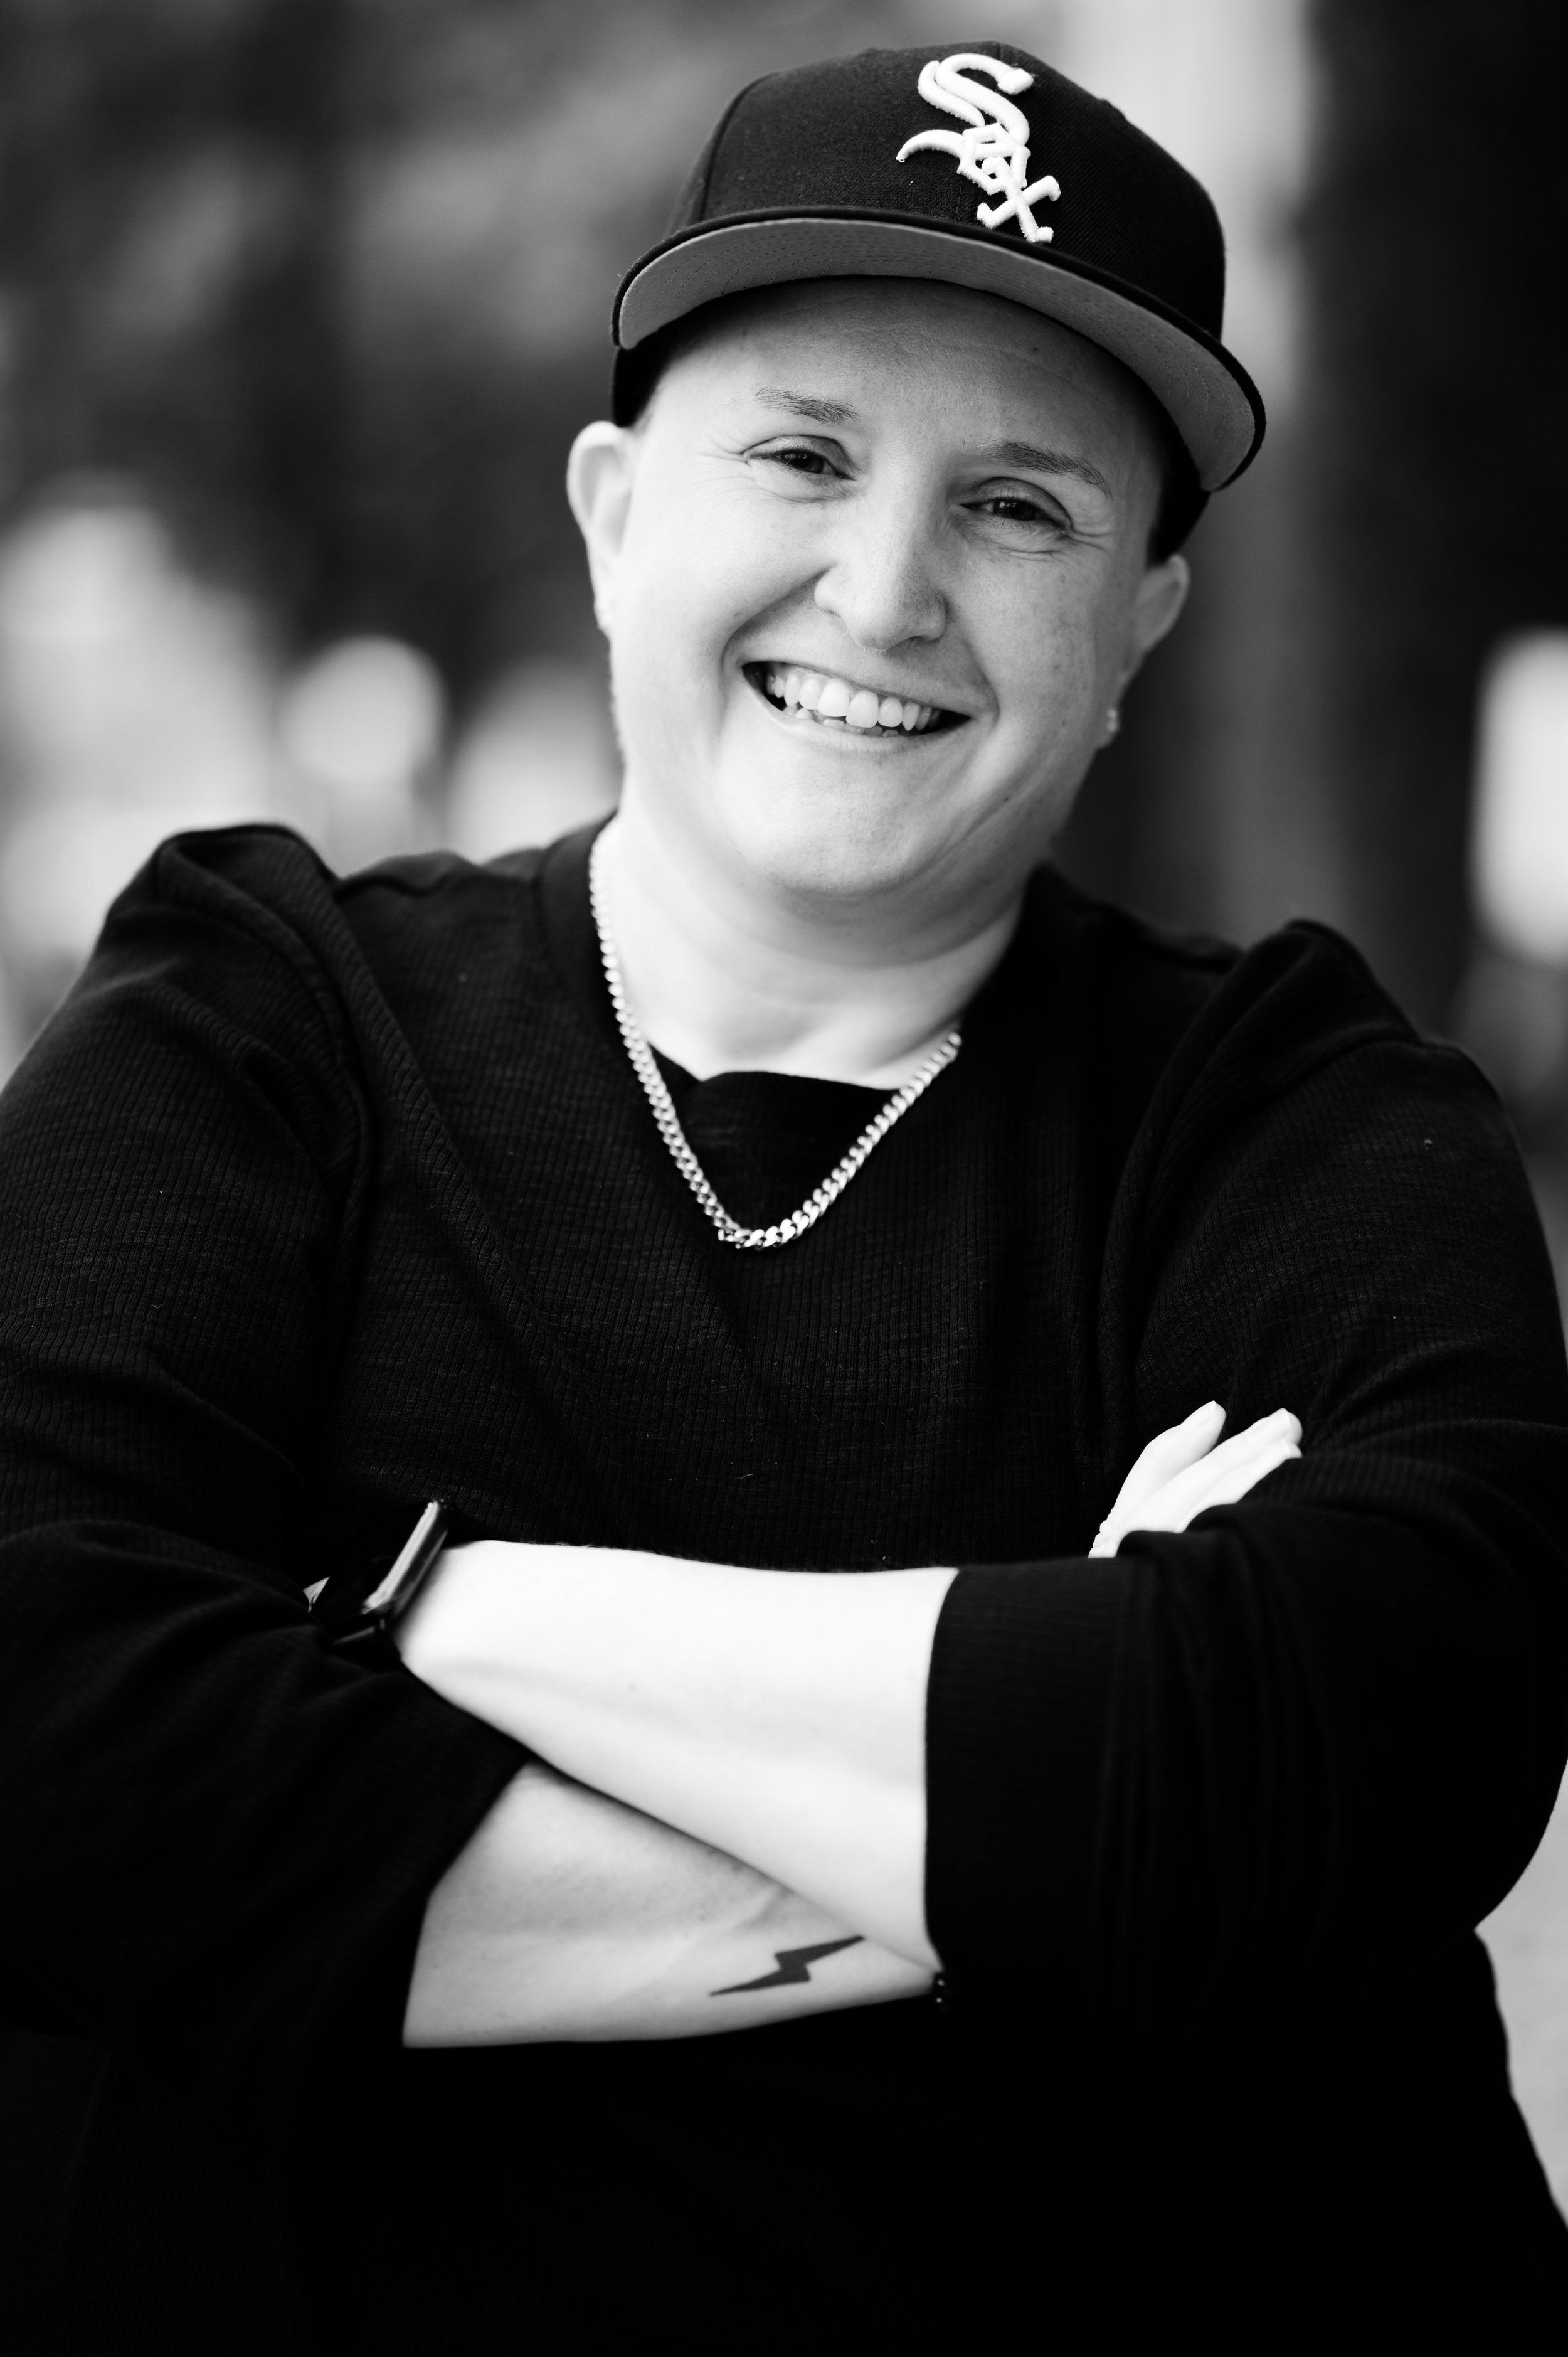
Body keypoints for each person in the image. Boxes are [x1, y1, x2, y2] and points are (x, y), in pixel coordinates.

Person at [2, 39, 1565, 2354]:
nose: (885, 586)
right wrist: (1056, 1805)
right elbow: (49, 1762)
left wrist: (411, 1606)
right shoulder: (251, 1021)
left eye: (1017, 507)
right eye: (803, 457)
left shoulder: (1296, 1117)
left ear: (1139, 620)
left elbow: (1350, 1780)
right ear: (615, 511)